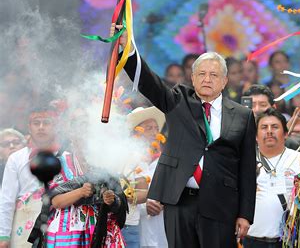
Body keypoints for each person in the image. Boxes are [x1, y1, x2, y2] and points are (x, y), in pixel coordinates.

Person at [117, 26, 257, 248]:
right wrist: (128, 50)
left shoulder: (243, 116)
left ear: (224, 80)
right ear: (192, 78)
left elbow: (247, 169)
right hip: (179, 199)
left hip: (221, 203)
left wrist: (245, 214)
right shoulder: (178, 101)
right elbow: (149, 82)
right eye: (201, 74)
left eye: (213, 75)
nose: (207, 79)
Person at [42, 108, 128, 247]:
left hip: (102, 234)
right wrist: (80, 192)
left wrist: (111, 199)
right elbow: (56, 201)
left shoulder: (105, 163)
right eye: (80, 126)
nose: (85, 132)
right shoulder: (60, 162)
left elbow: (121, 202)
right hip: (69, 236)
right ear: (71, 133)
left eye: (88, 126)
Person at [244, 108, 300, 248]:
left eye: (275, 127)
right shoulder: (244, 162)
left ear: (286, 133)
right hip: (252, 240)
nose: (269, 131)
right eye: (264, 127)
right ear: (256, 135)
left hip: (291, 241)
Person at [0, 105, 61, 248]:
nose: (41, 127)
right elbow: (6, 200)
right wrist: (3, 235)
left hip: (58, 225)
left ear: (55, 126)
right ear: (29, 127)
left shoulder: (65, 156)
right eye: (36, 123)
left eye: (46, 122)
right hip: (23, 227)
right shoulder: (16, 159)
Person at [123, 107, 166, 248]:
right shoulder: (126, 161)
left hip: (160, 231)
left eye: (156, 128)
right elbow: (123, 194)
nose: (154, 132)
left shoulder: (165, 161)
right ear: (136, 133)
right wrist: (144, 206)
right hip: (132, 229)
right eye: (148, 128)